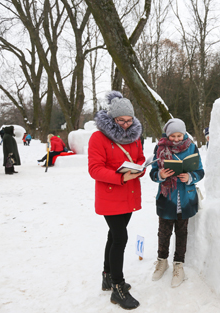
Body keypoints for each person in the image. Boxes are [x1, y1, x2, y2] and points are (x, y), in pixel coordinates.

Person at [88, 91, 144, 310]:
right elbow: (95, 169)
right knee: (120, 238)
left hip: (128, 194)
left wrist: (139, 168)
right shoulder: (98, 138)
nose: (125, 125)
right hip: (110, 196)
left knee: (114, 236)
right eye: (121, 120)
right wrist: (120, 176)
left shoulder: (134, 136)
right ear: (111, 119)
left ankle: (107, 275)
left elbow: (138, 158)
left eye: (129, 120)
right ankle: (117, 288)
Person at [149, 118, 204, 288]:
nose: (176, 139)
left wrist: (190, 177)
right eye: (173, 136)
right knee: (163, 232)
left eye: (179, 135)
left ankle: (178, 264)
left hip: (185, 198)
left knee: (182, 232)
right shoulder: (159, 148)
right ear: (167, 134)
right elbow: (153, 173)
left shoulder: (192, 147)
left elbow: (200, 171)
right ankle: (162, 260)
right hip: (167, 198)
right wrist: (161, 176)